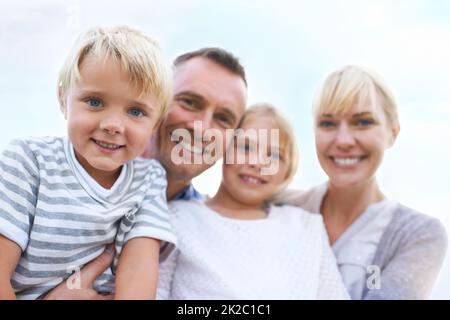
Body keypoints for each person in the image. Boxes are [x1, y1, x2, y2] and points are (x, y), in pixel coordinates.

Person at [43, 47, 248, 299]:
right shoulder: (46, 177)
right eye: (190, 102)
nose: (203, 129)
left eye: (224, 118)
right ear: (155, 103)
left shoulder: (205, 234)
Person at [0, 26, 176, 300]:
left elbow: (138, 270)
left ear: (156, 123)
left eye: (135, 111)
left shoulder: (148, 178)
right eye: (94, 102)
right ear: (63, 100)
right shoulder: (29, 160)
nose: (113, 125)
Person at [277, 65, 448, 299]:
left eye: (363, 122)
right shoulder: (280, 209)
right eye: (327, 123)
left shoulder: (418, 235)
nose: (344, 140)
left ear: (393, 132)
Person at [157, 104, 349, 299]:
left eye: (274, 156)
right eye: (246, 147)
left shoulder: (306, 227)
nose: (257, 163)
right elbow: (155, 291)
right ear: (224, 150)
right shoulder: (178, 218)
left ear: (287, 172)